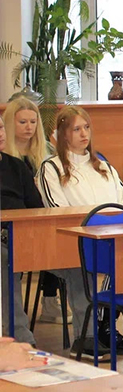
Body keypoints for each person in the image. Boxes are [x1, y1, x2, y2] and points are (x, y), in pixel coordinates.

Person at [37, 106, 123, 357]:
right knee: (80, 264)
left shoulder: (105, 167)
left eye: (86, 127)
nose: (83, 134)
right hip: (70, 244)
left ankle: (111, 327)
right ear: (63, 134)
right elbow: (57, 211)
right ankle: (86, 338)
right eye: (76, 129)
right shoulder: (52, 168)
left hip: (110, 240)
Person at [3, 97, 62, 323]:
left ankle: (50, 301)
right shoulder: (8, 159)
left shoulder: (47, 150)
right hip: (14, 222)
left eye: (33, 122)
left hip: (40, 211)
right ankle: (14, 316)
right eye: (22, 122)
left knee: (58, 237)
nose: (29, 127)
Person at [0, 116, 40, 344]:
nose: (0, 133)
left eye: (0, 128)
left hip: (24, 233)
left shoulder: (17, 166)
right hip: (2, 238)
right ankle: (19, 334)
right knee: (5, 258)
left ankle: (89, 336)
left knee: (76, 257)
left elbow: (36, 207)